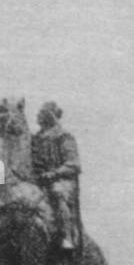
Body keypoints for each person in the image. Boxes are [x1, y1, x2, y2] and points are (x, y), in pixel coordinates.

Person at [31, 101, 81, 254]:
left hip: (60, 180)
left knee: (57, 192)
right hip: (37, 180)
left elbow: (73, 164)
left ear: (51, 115)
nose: (38, 115)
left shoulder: (64, 136)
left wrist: (54, 173)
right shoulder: (34, 139)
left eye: (42, 112)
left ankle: (67, 237)